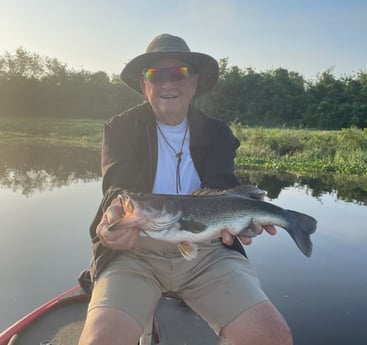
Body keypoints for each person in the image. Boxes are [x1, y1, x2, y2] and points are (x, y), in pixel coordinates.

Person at [78, 34, 293, 345]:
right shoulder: (121, 127)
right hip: (135, 249)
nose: (168, 83)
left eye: (178, 73)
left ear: (194, 84)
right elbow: (117, 189)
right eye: (156, 74)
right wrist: (111, 222)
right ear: (144, 85)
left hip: (208, 251)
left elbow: (224, 188)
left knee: (273, 336)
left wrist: (239, 224)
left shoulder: (217, 132)